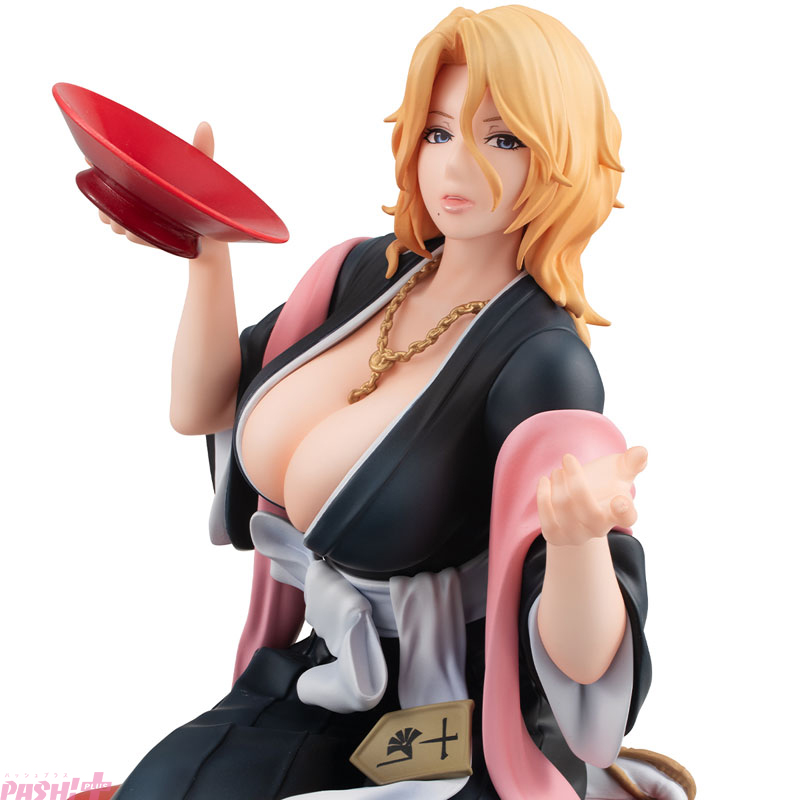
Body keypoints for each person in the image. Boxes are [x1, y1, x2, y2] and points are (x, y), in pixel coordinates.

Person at [81, 6, 694, 800]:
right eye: (438, 132)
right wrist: (204, 247)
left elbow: (585, 673)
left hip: (456, 716)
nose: (456, 166)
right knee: (167, 785)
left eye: (502, 139)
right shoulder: (362, 276)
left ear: (562, 156)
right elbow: (203, 409)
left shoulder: (542, 361)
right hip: (324, 676)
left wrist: (577, 543)